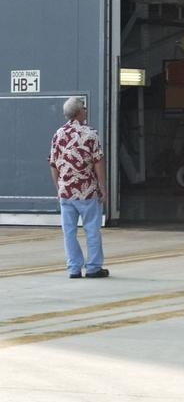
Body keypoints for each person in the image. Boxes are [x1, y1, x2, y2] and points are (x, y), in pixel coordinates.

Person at [48, 96, 109, 279]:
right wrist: (102, 186)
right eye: (84, 108)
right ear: (78, 113)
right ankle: (93, 268)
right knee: (91, 230)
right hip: (87, 191)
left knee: (69, 232)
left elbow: (53, 164)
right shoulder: (90, 133)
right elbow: (98, 161)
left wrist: (59, 187)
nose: (86, 110)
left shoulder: (58, 134)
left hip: (66, 192)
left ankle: (74, 268)